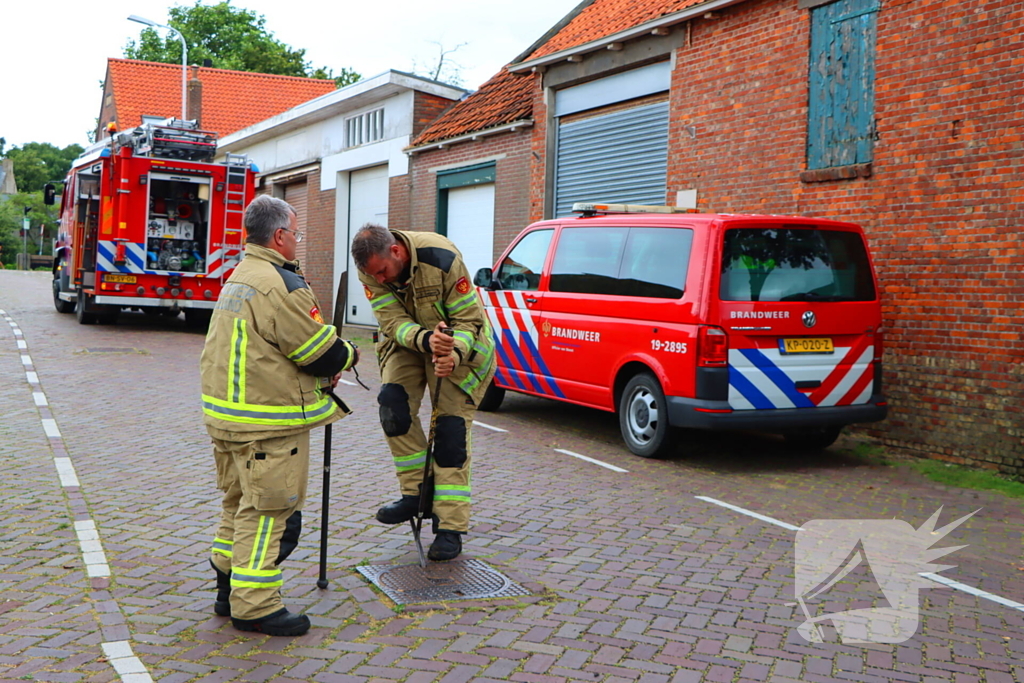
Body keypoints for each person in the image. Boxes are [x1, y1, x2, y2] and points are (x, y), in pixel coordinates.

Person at [200, 195, 359, 637]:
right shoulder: (281, 284)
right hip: (267, 423)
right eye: (297, 233)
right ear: (280, 236)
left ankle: (226, 588)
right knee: (268, 511)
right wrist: (349, 352)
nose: (299, 241)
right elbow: (316, 351)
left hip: (227, 419)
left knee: (236, 504)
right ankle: (254, 607)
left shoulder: (240, 277)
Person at [351, 224, 495, 562]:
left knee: (450, 431)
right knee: (393, 408)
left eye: (384, 271)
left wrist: (453, 353)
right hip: (408, 343)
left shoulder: (442, 257)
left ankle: (450, 527)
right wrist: (426, 340)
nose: (381, 280)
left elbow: (468, 320)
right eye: (375, 276)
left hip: (458, 342)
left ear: (397, 252)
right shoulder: (370, 270)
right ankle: (417, 494)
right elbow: (392, 321)